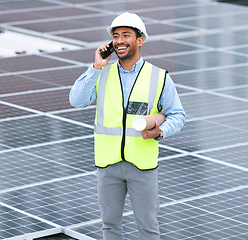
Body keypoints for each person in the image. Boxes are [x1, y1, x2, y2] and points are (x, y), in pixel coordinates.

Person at [69, 12, 185, 240]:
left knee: (148, 227)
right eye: (115, 36)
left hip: (142, 166)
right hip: (107, 165)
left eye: (126, 35)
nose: (119, 40)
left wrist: (161, 131)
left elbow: (177, 115)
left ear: (139, 40)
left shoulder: (158, 76)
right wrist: (96, 67)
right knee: (110, 227)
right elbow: (76, 101)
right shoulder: (101, 73)